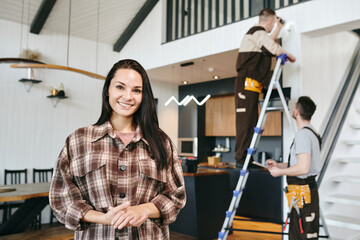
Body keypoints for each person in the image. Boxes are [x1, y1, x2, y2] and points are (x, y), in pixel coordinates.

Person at [49, 59, 186, 239]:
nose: (128, 96)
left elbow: (176, 197)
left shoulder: (161, 142)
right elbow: (61, 200)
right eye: (120, 87)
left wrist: (142, 209)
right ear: (108, 90)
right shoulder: (79, 140)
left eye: (136, 90)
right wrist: (103, 218)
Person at [235, 8, 296, 165]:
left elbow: (267, 42)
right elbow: (270, 46)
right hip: (246, 86)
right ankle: (241, 160)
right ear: (269, 21)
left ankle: (246, 159)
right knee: (245, 123)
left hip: (252, 86)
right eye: (273, 23)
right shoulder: (256, 32)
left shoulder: (258, 35)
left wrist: (279, 28)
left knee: (251, 121)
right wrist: (288, 55)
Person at [267, 96, 321, 239]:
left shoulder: (303, 136)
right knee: (303, 231)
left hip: (304, 195)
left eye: (294, 106)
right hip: (304, 193)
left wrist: (280, 172)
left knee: (302, 234)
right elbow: (301, 164)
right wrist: (279, 165)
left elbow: (303, 168)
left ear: (296, 112)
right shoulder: (312, 133)